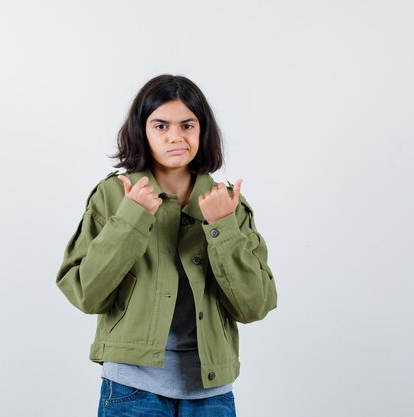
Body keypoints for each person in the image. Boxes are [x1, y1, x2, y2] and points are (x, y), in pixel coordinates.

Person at [55, 74, 277, 417]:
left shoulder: (227, 203)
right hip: (131, 387)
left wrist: (223, 227)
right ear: (142, 130)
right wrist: (132, 217)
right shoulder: (113, 195)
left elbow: (255, 305)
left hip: (211, 391)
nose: (176, 137)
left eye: (187, 125)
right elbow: (87, 293)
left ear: (202, 131)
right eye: (161, 126)